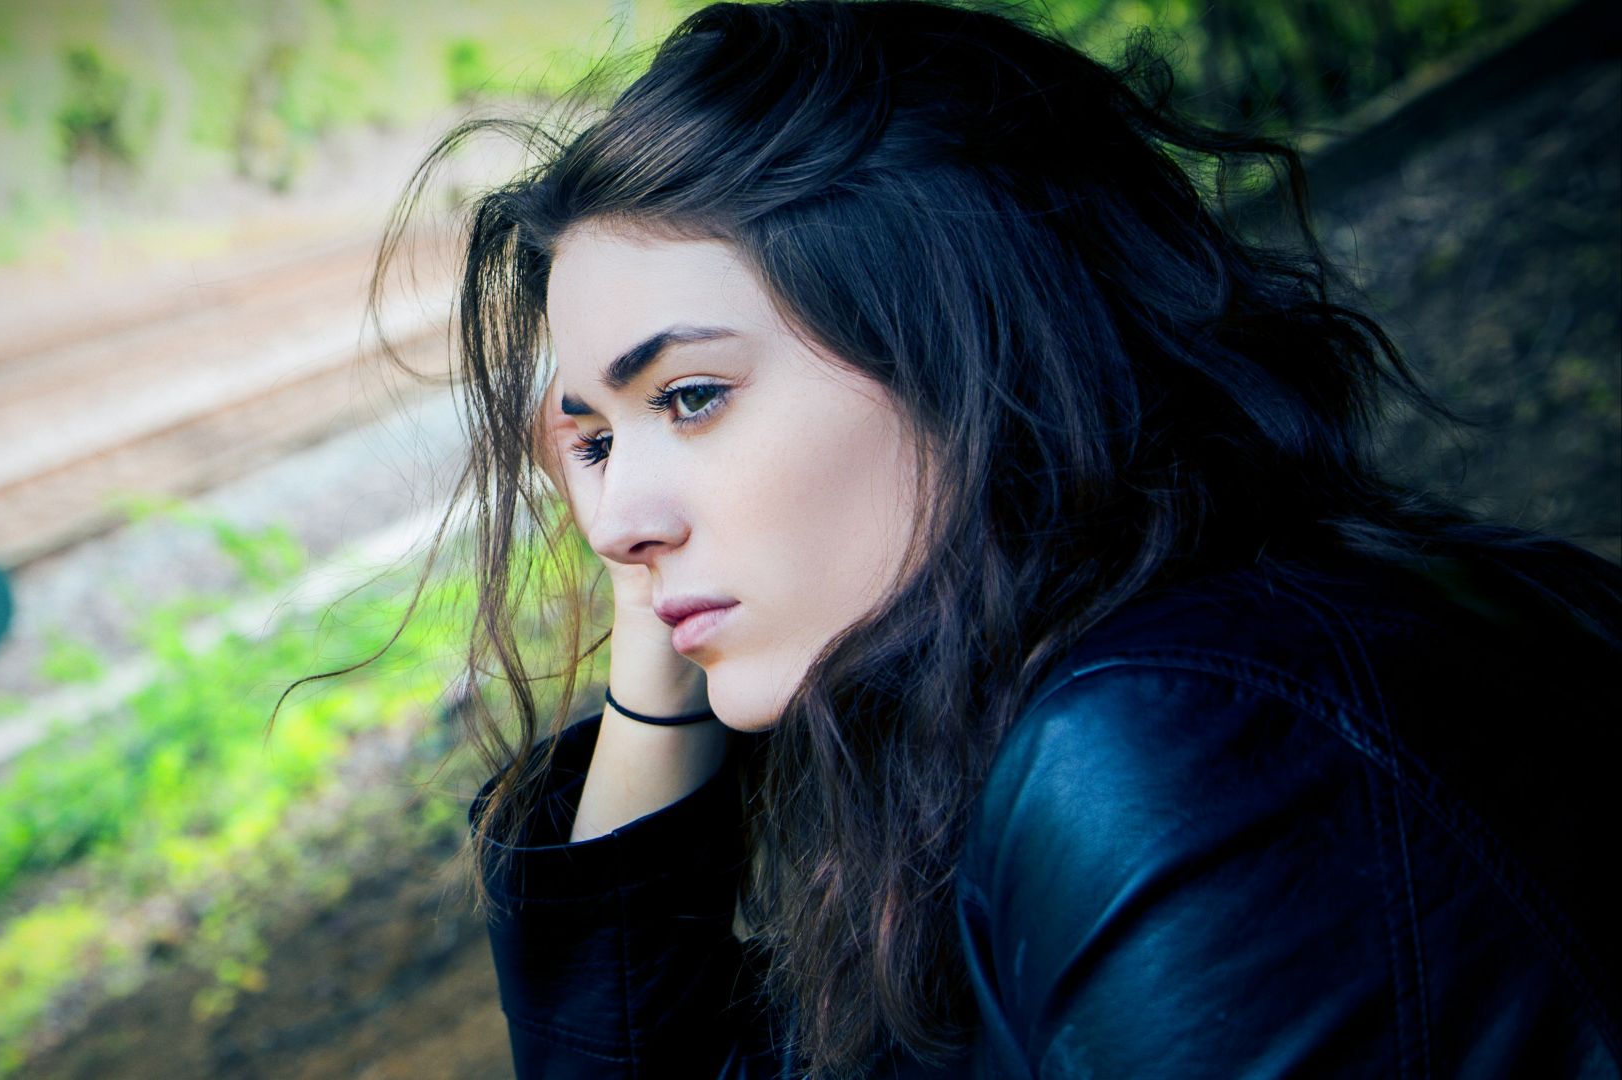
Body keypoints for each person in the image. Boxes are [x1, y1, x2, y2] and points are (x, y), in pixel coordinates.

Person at [305, 1, 1622, 1075]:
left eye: (692, 398)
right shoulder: (1016, 719)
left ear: (963, 353)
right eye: (591, 442)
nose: (615, 526)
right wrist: (659, 654)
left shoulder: (1181, 748)